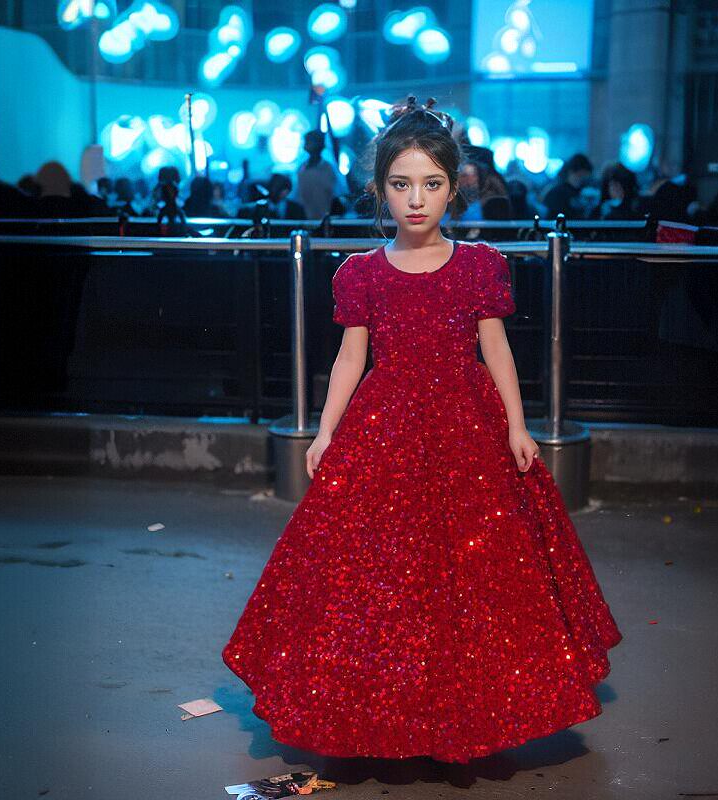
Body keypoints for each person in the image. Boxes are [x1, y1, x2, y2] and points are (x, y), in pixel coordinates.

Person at [222, 94, 622, 763]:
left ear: (454, 187)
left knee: (479, 567)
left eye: (431, 184)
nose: (416, 200)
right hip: (386, 428)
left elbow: (496, 349)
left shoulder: (480, 264)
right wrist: (326, 431)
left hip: (469, 426)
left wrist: (518, 425)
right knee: (379, 571)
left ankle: (474, 705)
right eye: (401, 184)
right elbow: (349, 358)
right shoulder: (361, 273)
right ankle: (385, 706)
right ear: (379, 190)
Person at [542, 153, 594, 219]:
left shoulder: (585, 192)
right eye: (580, 175)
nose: (582, 179)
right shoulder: (557, 193)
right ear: (572, 172)